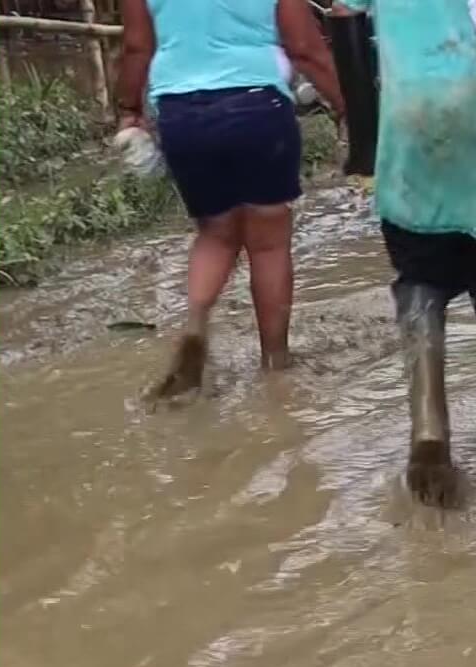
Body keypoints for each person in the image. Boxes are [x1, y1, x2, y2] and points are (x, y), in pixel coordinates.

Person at [329, 0, 476, 507]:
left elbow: (343, 13)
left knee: (420, 275)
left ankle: (429, 426)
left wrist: (362, 141)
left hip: (414, 124)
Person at [115, 0, 346, 398]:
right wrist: (349, 107)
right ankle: (275, 363)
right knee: (269, 242)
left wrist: (129, 109)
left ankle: (195, 325)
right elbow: (306, 48)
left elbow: (137, 47)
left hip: (181, 113)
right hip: (259, 106)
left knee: (215, 232)